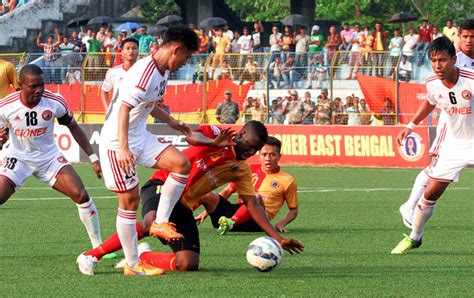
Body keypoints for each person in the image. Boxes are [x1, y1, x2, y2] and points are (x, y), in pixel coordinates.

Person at [77, 123, 304, 274]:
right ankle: (90, 256)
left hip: (184, 205)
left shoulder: (241, 169)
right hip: (161, 184)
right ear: (241, 134)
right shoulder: (218, 133)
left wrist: (277, 237)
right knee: (151, 223)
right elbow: (192, 137)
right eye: (251, 146)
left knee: (188, 264)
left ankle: (140, 256)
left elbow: (252, 203)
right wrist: (213, 143)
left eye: (255, 150)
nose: (251, 153)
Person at [96, 25, 199, 276]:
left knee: (181, 164)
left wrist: (174, 124)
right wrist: (123, 148)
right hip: (116, 142)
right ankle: (132, 264)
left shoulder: (161, 71)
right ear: (176, 49)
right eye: (185, 58)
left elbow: (149, 105)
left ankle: (160, 222)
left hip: (139, 136)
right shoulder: (145, 72)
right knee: (129, 201)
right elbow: (122, 108)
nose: (184, 63)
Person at [0, 65, 105, 254]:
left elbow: (74, 128)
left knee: (81, 195)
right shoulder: (5, 105)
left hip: (48, 158)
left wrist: (93, 157)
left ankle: (98, 247)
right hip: (18, 157)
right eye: (33, 86)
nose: (39, 90)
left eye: (42, 85)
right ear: (20, 85)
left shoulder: (55, 101)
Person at [391, 36, 473, 254]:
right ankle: (414, 238)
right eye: (434, 60)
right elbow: (430, 100)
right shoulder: (432, 83)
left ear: (454, 59)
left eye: (443, 60)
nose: (438, 65)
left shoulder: (471, 80)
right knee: (430, 194)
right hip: (454, 146)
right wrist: (410, 125)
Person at [195, 136, 298, 234]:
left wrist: (281, 224)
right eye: (264, 154)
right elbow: (227, 191)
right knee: (206, 194)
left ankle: (230, 223)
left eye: (273, 154)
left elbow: (293, 210)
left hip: (258, 220)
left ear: (279, 156)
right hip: (236, 212)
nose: (268, 158)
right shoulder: (248, 169)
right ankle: (181, 223)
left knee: (256, 197)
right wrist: (204, 213)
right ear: (259, 156)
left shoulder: (288, 180)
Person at [100, 38, 139, 111]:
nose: (131, 51)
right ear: (122, 51)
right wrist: (107, 109)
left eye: (134, 48)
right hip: (116, 116)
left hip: (136, 117)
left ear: (138, 51)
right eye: (127, 48)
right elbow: (104, 91)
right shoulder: (113, 72)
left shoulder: (144, 71)